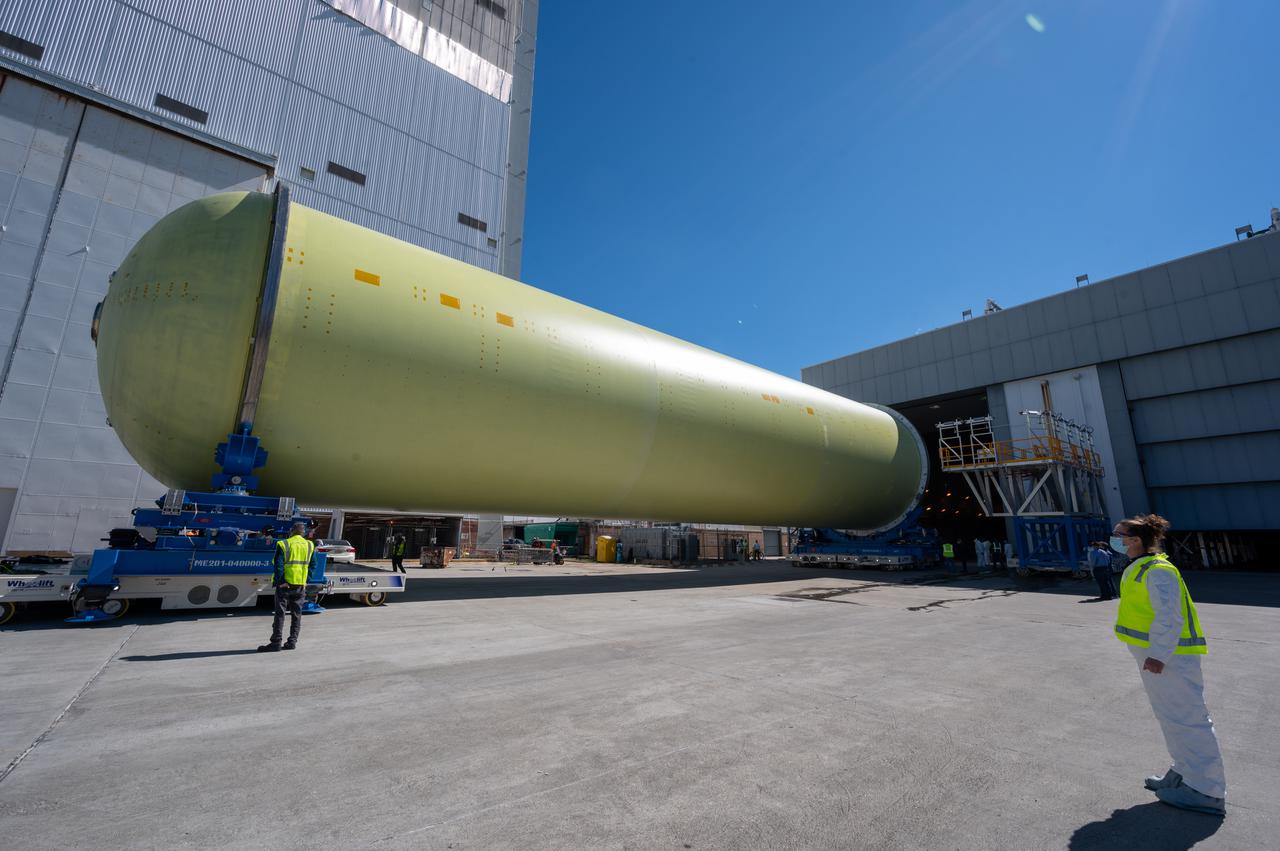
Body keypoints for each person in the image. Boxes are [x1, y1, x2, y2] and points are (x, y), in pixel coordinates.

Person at [1111, 513, 1226, 815]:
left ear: (1135, 540)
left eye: (1119, 535)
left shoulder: (1158, 570)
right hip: (1155, 656)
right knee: (1170, 717)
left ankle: (1206, 790)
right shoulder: (1140, 567)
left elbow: (1169, 615)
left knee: (1187, 719)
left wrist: (1159, 654)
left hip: (1169, 658)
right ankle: (1184, 772)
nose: (1116, 539)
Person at [259, 522, 315, 652]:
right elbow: (313, 565)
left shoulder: (284, 544)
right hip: (300, 585)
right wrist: (306, 580)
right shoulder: (309, 545)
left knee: (280, 613)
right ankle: (292, 642)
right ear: (303, 532)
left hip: (285, 585)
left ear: (291, 531)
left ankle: (276, 643)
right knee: (297, 614)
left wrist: (281, 581)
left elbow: (278, 565)